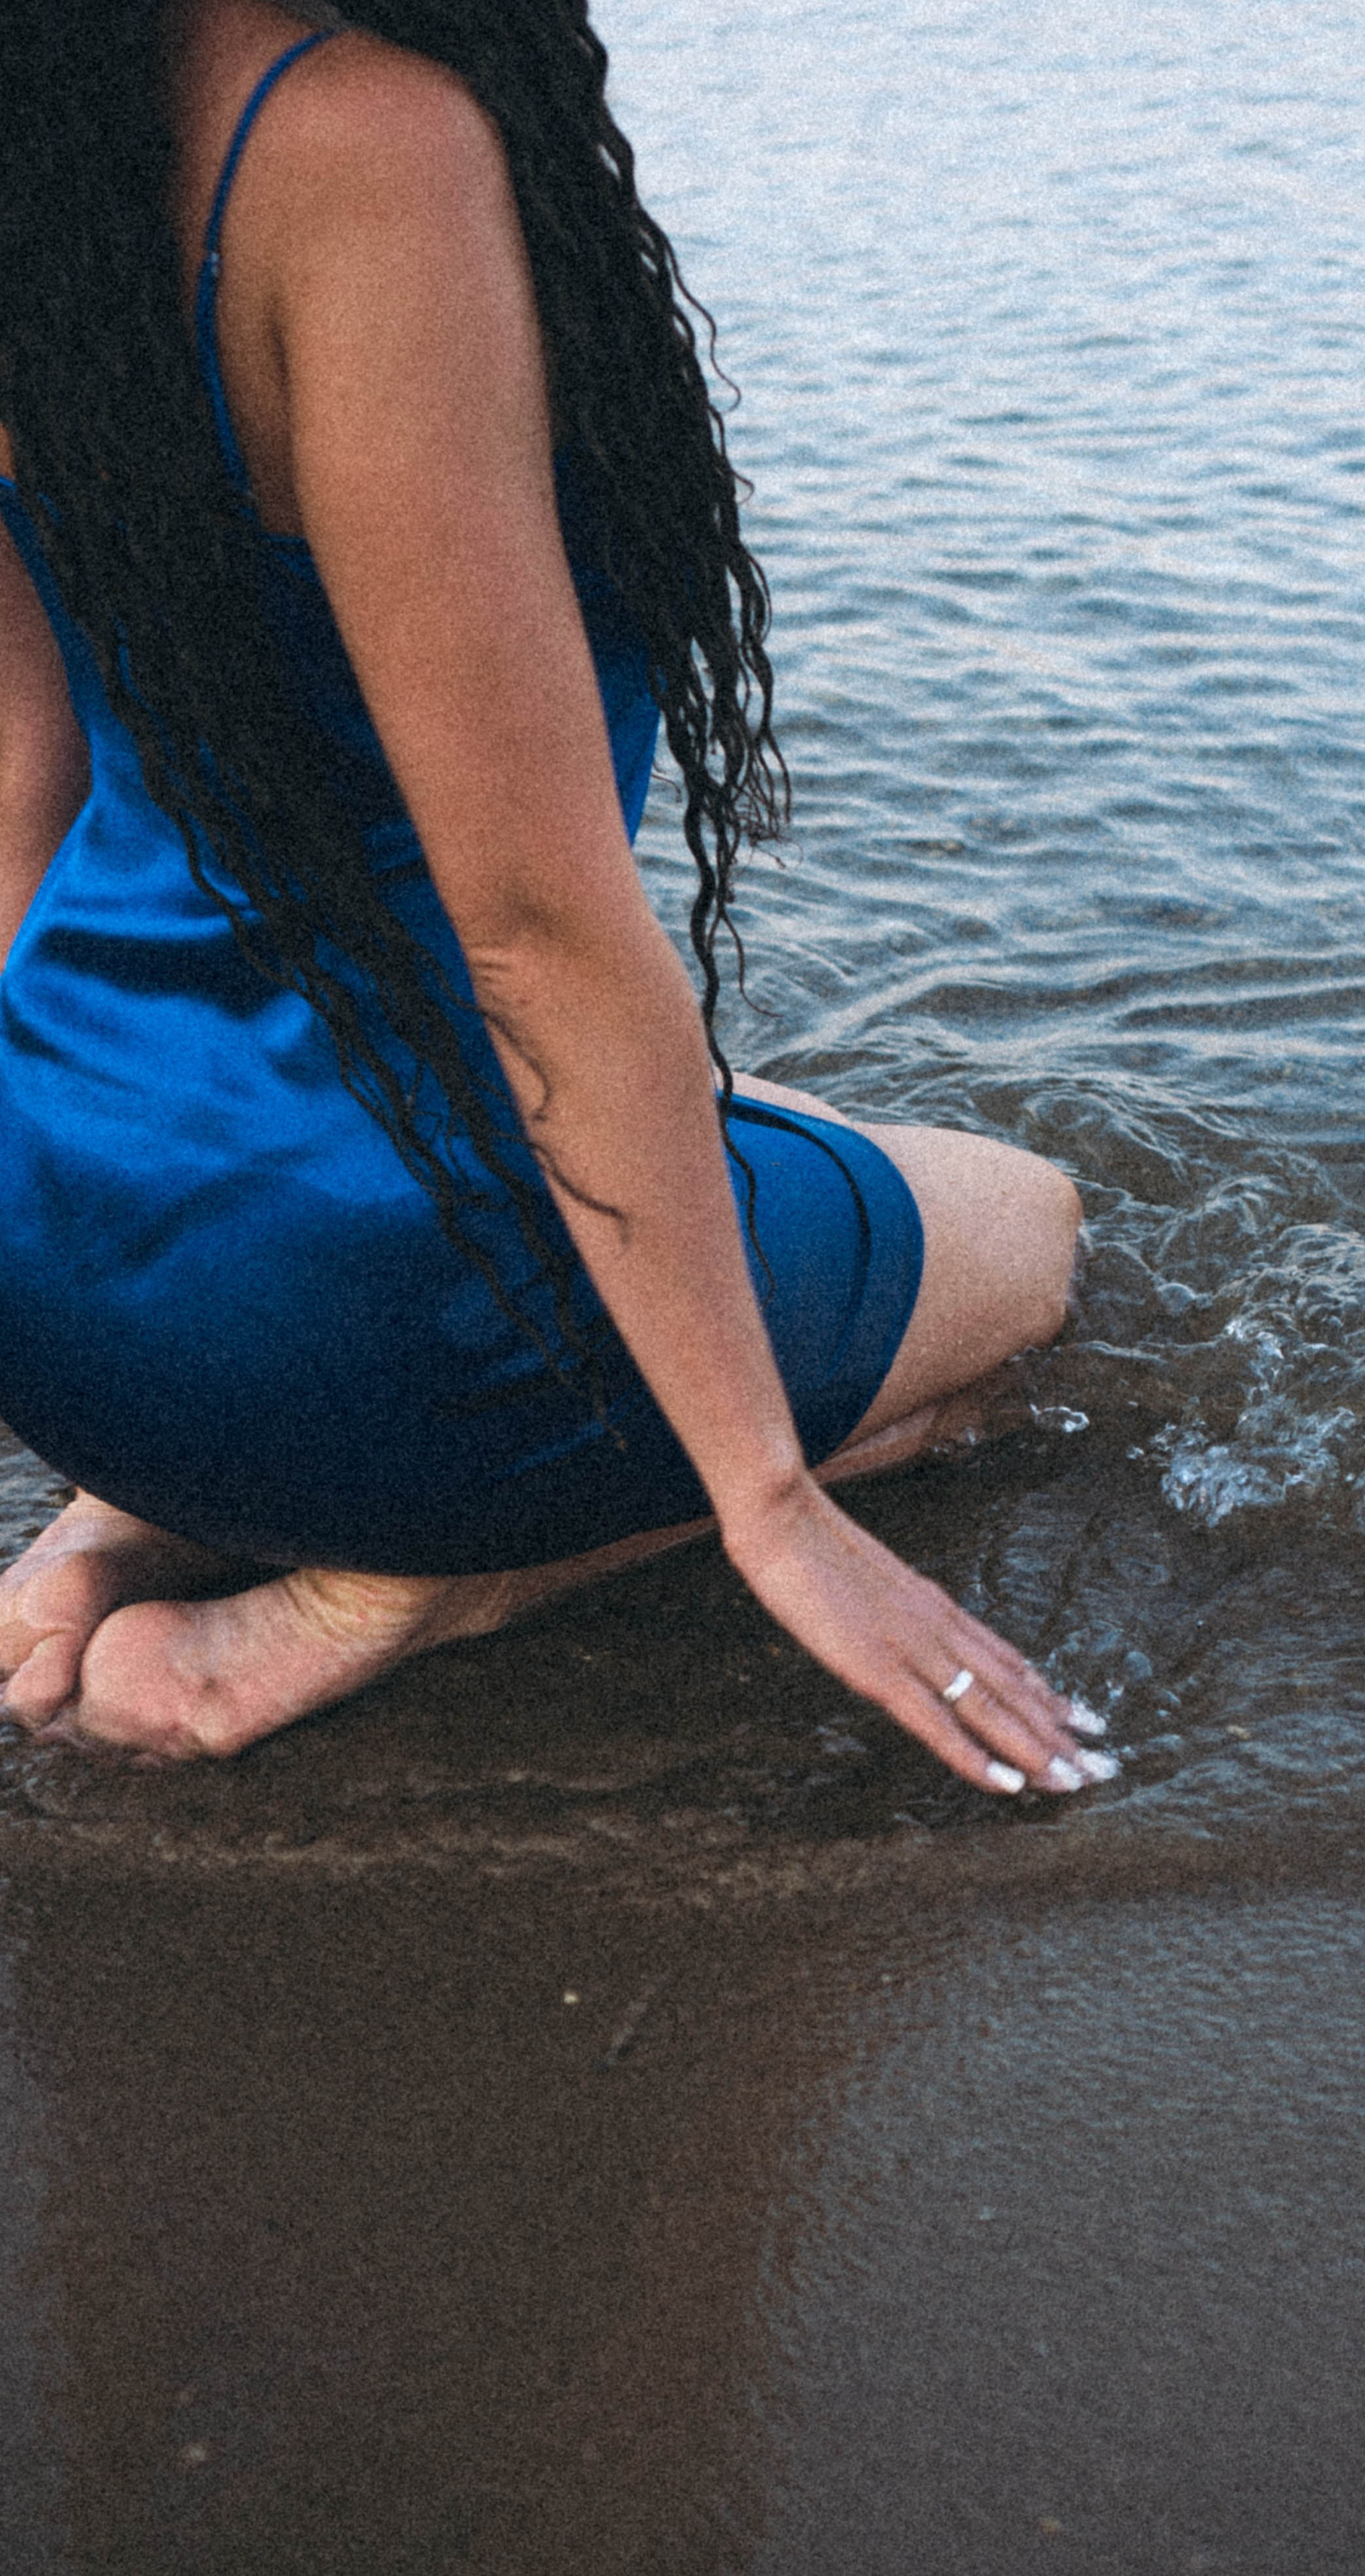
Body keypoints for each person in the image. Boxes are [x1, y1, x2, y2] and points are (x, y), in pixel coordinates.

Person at [0, 0, 1109, 1796]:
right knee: (1031, 1236)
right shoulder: (363, 140)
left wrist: (92, 1288)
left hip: (49, 1261)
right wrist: (769, 1507)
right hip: (375, 1299)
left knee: (751, 1124)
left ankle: (134, 1517)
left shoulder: (45, 138)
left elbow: (21, 809)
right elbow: (529, 924)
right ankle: (423, 1585)